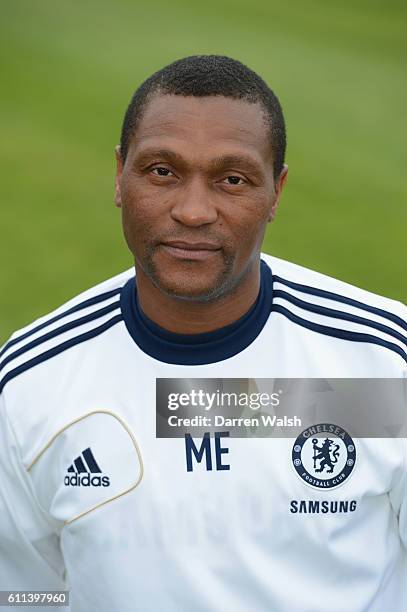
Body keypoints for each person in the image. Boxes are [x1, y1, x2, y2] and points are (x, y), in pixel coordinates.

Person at [0, 55, 406, 612]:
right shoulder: (28, 384)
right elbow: (24, 594)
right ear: (119, 176)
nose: (193, 212)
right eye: (162, 171)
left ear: (276, 193)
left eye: (232, 180)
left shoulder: (383, 364)